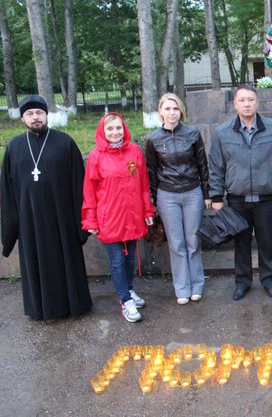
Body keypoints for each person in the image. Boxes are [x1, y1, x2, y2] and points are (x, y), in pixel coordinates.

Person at [1, 95, 92, 320]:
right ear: (22, 118)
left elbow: (78, 185)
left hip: (62, 219)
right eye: (30, 114)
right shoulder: (14, 147)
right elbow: (7, 191)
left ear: (46, 115)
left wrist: (81, 223)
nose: (35, 118)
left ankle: (74, 305)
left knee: (65, 261)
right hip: (29, 220)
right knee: (35, 262)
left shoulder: (65, 143)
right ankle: (38, 308)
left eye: (39, 113)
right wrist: (11, 228)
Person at [209, 85, 272, 301]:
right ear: (235, 104)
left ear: (257, 102)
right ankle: (243, 282)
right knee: (241, 243)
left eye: (251, 100)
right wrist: (217, 195)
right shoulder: (222, 132)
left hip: (265, 198)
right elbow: (216, 166)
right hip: (237, 199)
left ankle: (268, 280)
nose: (247, 104)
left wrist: (271, 176)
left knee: (267, 242)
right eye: (242, 100)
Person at [82, 113, 154, 322]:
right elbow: (89, 191)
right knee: (117, 259)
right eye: (110, 129)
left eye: (118, 128)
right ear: (102, 132)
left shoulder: (134, 152)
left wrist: (147, 211)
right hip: (110, 218)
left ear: (124, 129)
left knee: (130, 258)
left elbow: (143, 184)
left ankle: (129, 290)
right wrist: (90, 220)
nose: (115, 133)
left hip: (132, 216)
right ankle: (125, 300)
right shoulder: (96, 156)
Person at [145, 93, 210, 305]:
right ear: (160, 112)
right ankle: (181, 288)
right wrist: (155, 200)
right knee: (176, 243)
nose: (171, 113)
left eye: (175, 109)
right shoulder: (153, 139)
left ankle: (196, 285)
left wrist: (206, 193)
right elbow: (151, 171)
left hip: (192, 192)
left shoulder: (192, 133)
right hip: (167, 195)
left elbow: (202, 165)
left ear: (181, 111)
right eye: (167, 109)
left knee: (193, 240)